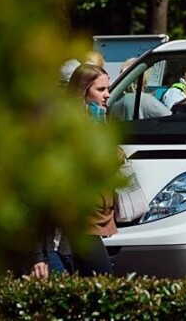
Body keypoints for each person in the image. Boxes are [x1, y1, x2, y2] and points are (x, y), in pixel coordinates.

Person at [66, 64, 117, 275]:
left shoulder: (98, 120)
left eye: (108, 89)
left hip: (93, 217)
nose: (107, 95)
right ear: (83, 90)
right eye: (101, 89)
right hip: (80, 219)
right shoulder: (72, 125)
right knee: (103, 281)